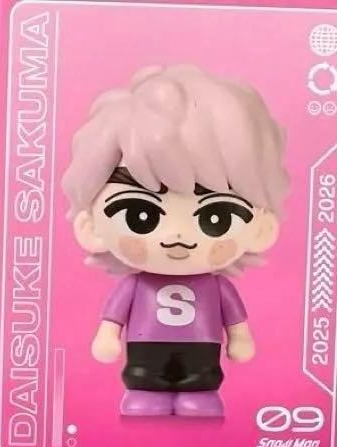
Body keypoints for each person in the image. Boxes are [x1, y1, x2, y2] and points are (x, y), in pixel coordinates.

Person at [62, 65, 288, 418]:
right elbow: (114, 316)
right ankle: (145, 394)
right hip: (145, 350)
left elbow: (234, 320)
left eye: (216, 217)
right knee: (143, 378)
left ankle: (199, 394)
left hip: (201, 350)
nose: (176, 234)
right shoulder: (137, 285)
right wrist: (106, 335)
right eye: (140, 215)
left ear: (261, 228)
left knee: (201, 380)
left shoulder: (215, 287)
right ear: (90, 227)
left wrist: (241, 337)